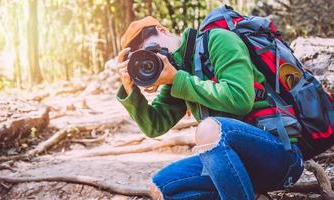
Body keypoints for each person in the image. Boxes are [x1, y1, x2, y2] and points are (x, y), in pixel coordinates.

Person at [116, 16, 304, 200]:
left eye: (149, 49)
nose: (151, 57)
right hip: (234, 167)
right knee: (162, 187)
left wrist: (178, 79)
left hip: (278, 156)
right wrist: (130, 89)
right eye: (141, 58)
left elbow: (241, 98)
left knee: (208, 129)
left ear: (162, 30)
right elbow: (154, 125)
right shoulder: (177, 69)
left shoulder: (218, 39)